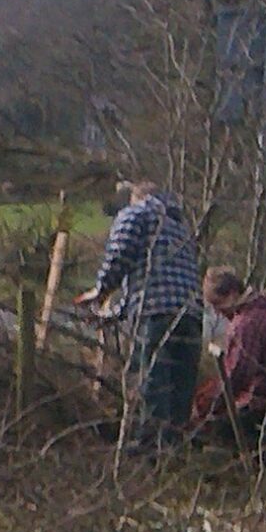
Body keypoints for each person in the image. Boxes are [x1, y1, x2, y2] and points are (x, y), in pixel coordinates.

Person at [75, 179, 202, 450]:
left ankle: (149, 447)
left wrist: (99, 291)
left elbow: (120, 256)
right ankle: (173, 449)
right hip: (190, 315)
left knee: (152, 379)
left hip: (155, 314)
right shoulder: (180, 226)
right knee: (179, 386)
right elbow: (155, 278)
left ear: (136, 197)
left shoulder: (136, 213)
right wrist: (114, 314)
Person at [191, 268, 266, 471]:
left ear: (232, 295)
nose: (218, 312)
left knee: (208, 430)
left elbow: (237, 378)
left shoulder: (246, 323)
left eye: (217, 304)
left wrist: (208, 408)